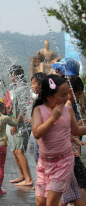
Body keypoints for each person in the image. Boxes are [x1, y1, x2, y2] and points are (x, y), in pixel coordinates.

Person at [31, 74, 86, 206]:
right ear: (49, 97)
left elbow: (76, 131)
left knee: (52, 201)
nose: (67, 98)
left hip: (64, 161)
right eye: (62, 95)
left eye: (67, 94)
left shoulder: (68, 111)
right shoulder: (39, 110)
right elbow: (37, 133)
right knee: (40, 202)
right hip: (44, 163)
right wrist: (53, 117)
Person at [60, 75, 86, 206]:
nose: (78, 98)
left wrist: (79, 124)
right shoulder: (68, 106)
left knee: (64, 192)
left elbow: (66, 130)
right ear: (71, 91)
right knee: (80, 186)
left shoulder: (56, 105)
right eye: (78, 94)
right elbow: (73, 131)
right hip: (69, 155)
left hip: (62, 156)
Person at [8, 65, 33, 186]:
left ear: (15, 76)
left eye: (10, 75)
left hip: (22, 126)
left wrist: (15, 124)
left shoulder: (22, 88)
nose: (9, 77)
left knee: (20, 150)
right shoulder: (18, 88)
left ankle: (28, 179)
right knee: (14, 151)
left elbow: (23, 110)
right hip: (19, 124)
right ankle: (22, 176)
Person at [30, 72, 46, 163]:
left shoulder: (43, 101)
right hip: (39, 138)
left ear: (41, 84)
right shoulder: (37, 100)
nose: (32, 86)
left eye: (34, 83)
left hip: (43, 138)